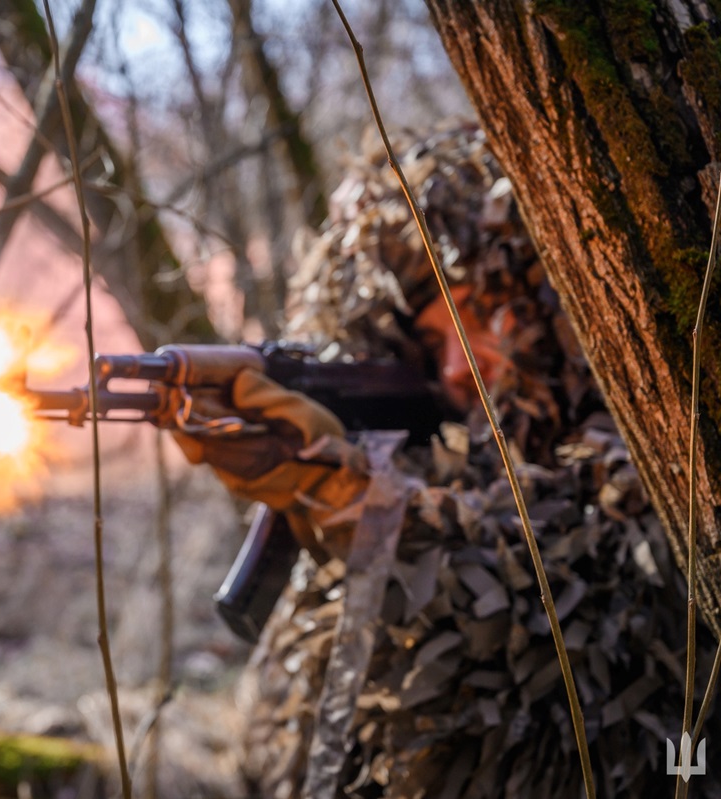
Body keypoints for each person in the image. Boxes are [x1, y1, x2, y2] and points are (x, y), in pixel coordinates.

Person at [176, 124, 720, 798]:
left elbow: (582, 592)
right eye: (433, 342)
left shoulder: (656, 424)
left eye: (475, 315)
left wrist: (365, 506)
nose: (457, 367)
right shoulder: (437, 442)